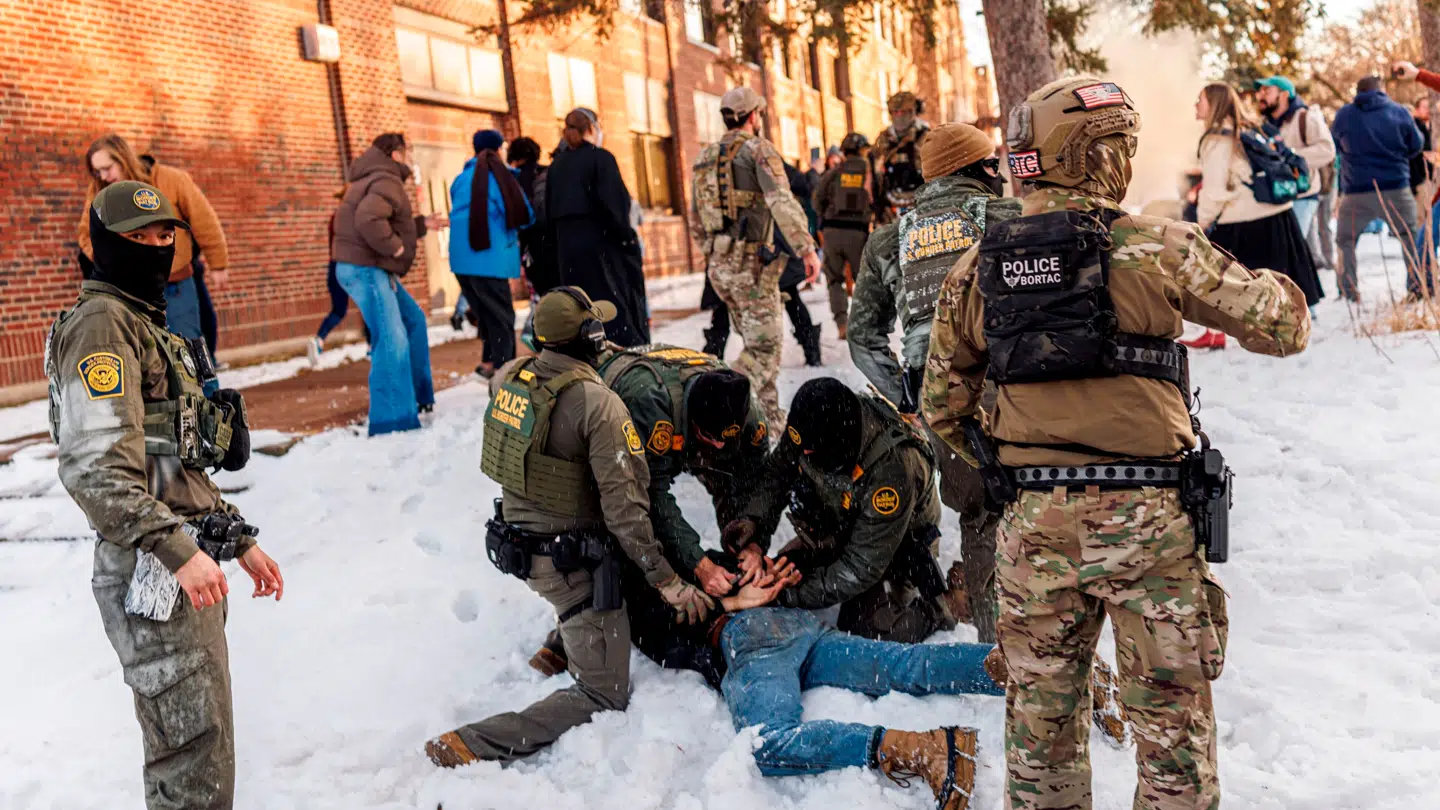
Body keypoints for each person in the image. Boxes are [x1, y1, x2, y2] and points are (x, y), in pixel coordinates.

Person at [924, 74, 1311, 810]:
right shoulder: (1157, 247)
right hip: (1150, 531)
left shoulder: (976, 272)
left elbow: (941, 407)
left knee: (1041, 736)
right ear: (1099, 155)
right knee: (1171, 739)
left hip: (1033, 532)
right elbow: (1283, 326)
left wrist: (1016, 461)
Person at [47, 181, 284, 810]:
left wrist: (232, 536)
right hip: (149, 567)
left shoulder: (141, 322)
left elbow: (167, 464)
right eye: (140, 236)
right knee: (191, 767)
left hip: (179, 565)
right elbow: (98, 470)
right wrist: (174, 548)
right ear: (106, 244)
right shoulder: (103, 328)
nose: (158, 246)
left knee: (200, 752)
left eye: (164, 234)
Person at [424, 287, 714, 767]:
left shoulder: (509, 377)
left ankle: (559, 645)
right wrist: (668, 582)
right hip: (569, 566)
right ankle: (473, 743)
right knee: (605, 692)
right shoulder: (599, 405)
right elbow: (627, 514)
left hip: (518, 543)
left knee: (602, 559)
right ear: (591, 337)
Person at [849, 123, 1020, 641]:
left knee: (980, 516)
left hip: (942, 395)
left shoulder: (889, 239)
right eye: (993, 166)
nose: (1000, 175)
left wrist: (904, 390)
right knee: (1046, 506)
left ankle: (998, 652)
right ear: (974, 169)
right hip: (1016, 382)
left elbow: (863, 337)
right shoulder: (1008, 217)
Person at [527, 344, 773, 677]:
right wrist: (697, 564)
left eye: (725, 441)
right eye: (708, 437)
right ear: (691, 418)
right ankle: (574, 626)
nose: (717, 447)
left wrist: (752, 542)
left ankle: (727, 582)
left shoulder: (750, 416)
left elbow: (757, 483)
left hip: (685, 429)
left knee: (739, 523)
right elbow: (647, 496)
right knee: (614, 531)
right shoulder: (649, 406)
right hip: (609, 444)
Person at [723, 377, 961, 644]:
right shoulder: (811, 425)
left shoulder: (891, 467)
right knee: (782, 570)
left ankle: (946, 606)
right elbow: (777, 475)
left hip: (894, 541)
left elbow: (861, 567)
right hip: (843, 522)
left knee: (868, 629)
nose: (805, 455)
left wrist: (787, 595)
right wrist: (754, 523)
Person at [691, 86, 821, 426]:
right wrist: (806, 247)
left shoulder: (705, 156)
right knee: (764, 349)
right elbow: (781, 200)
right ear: (752, 116)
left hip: (721, 268)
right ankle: (712, 406)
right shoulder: (757, 149)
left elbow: (695, 219)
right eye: (759, 113)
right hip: (750, 268)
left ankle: (768, 424)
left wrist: (715, 254)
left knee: (760, 343)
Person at [1188, 82, 1322, 349]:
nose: (1195, 104)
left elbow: (1216, 190)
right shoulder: (1247, 128)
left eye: (1200, 99)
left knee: (1218, 279)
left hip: (1241, 220)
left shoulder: (1216, 140)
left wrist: (1201, 223)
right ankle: (1290, 330)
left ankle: (1215, 334)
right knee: (1278, 280)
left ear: (1213, 104)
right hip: (1276, 215)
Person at [331, 132, 447, 435]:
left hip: (367, 266)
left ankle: (417, 398)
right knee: (392, 337)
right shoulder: (386, 179)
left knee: (413, 321)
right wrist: (395, 248)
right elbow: (369, 220)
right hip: (366, 268)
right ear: (395, 153)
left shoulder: (374, 177)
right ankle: (392, 419)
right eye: (406, 152)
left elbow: (385, 216)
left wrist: (421, 225)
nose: (409, 158)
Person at [79, 135, 230, 348]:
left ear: (123, 159)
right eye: (97, 171)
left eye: (107, 168)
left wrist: (218, 263)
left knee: (190, 353)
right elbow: (86, 234)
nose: (103, 176)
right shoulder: (99, 192)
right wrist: (109, 262)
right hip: (129, 292)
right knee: (147, 358)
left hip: (174, 284)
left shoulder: (172, 180)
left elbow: (204, 220)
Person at [547, 108, 651, 346]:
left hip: (568, 253)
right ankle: (623, 358)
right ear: (592, 128)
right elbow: (614, 206)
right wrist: (628, 240)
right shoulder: (601, 159)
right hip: (601, 248)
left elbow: (549, 213)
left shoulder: (557, 166)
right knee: (613, 311)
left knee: (581, 310)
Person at [1331, 75, 1425, 301]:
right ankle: (1416, 287)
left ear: (1358, 91)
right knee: (1410, 237)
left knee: (1345, 240)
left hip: (1356, 190)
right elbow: (1417, 145)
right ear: (1381, 90)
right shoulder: (1399, 111)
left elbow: (1335, 145)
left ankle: (1348, 290)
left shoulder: (1344, 115)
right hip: (1396, 186)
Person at [450, 129, 533, 378]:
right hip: (488, 257)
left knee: (486, 314)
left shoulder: (461, 178)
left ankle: (488, 362)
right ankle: (505, 371)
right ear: (498, 149)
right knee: (502, 316)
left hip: (461, 261)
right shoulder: (499, 177)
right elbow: (523, 214)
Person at [1255, 76, 1337, 241]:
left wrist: (1291, 156)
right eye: (1260, 91)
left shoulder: (1306, 117)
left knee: (1291, 246)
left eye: (1267, 91)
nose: (1261, 96)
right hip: (1274, 196)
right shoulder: (1262, 125)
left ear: (1284, 95)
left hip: (1302, 196)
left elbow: (1327, 150)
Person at [812, 132, 873, 339]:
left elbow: (817, 200)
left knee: (834, 280)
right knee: (864, 280)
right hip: (858, 233)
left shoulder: (834, 172)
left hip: (832, 233)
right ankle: (865, 324)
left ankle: (842, 324)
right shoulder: (869, 172)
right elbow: (879, 197)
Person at [309, 185, 355, 366]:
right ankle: (371, 347)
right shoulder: (350, 218)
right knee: (369, 304)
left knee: (338, 310)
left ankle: (319, 340)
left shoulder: (334, 218)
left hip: (334, 266)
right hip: (350, 266)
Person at [872, 92, 931, 222]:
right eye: (895, 112)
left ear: (913, 112)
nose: (899, 116)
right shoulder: (883, 139)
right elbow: (874, 173)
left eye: (903, 112)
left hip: (922, 204)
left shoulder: (926, 136)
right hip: (891, 206)